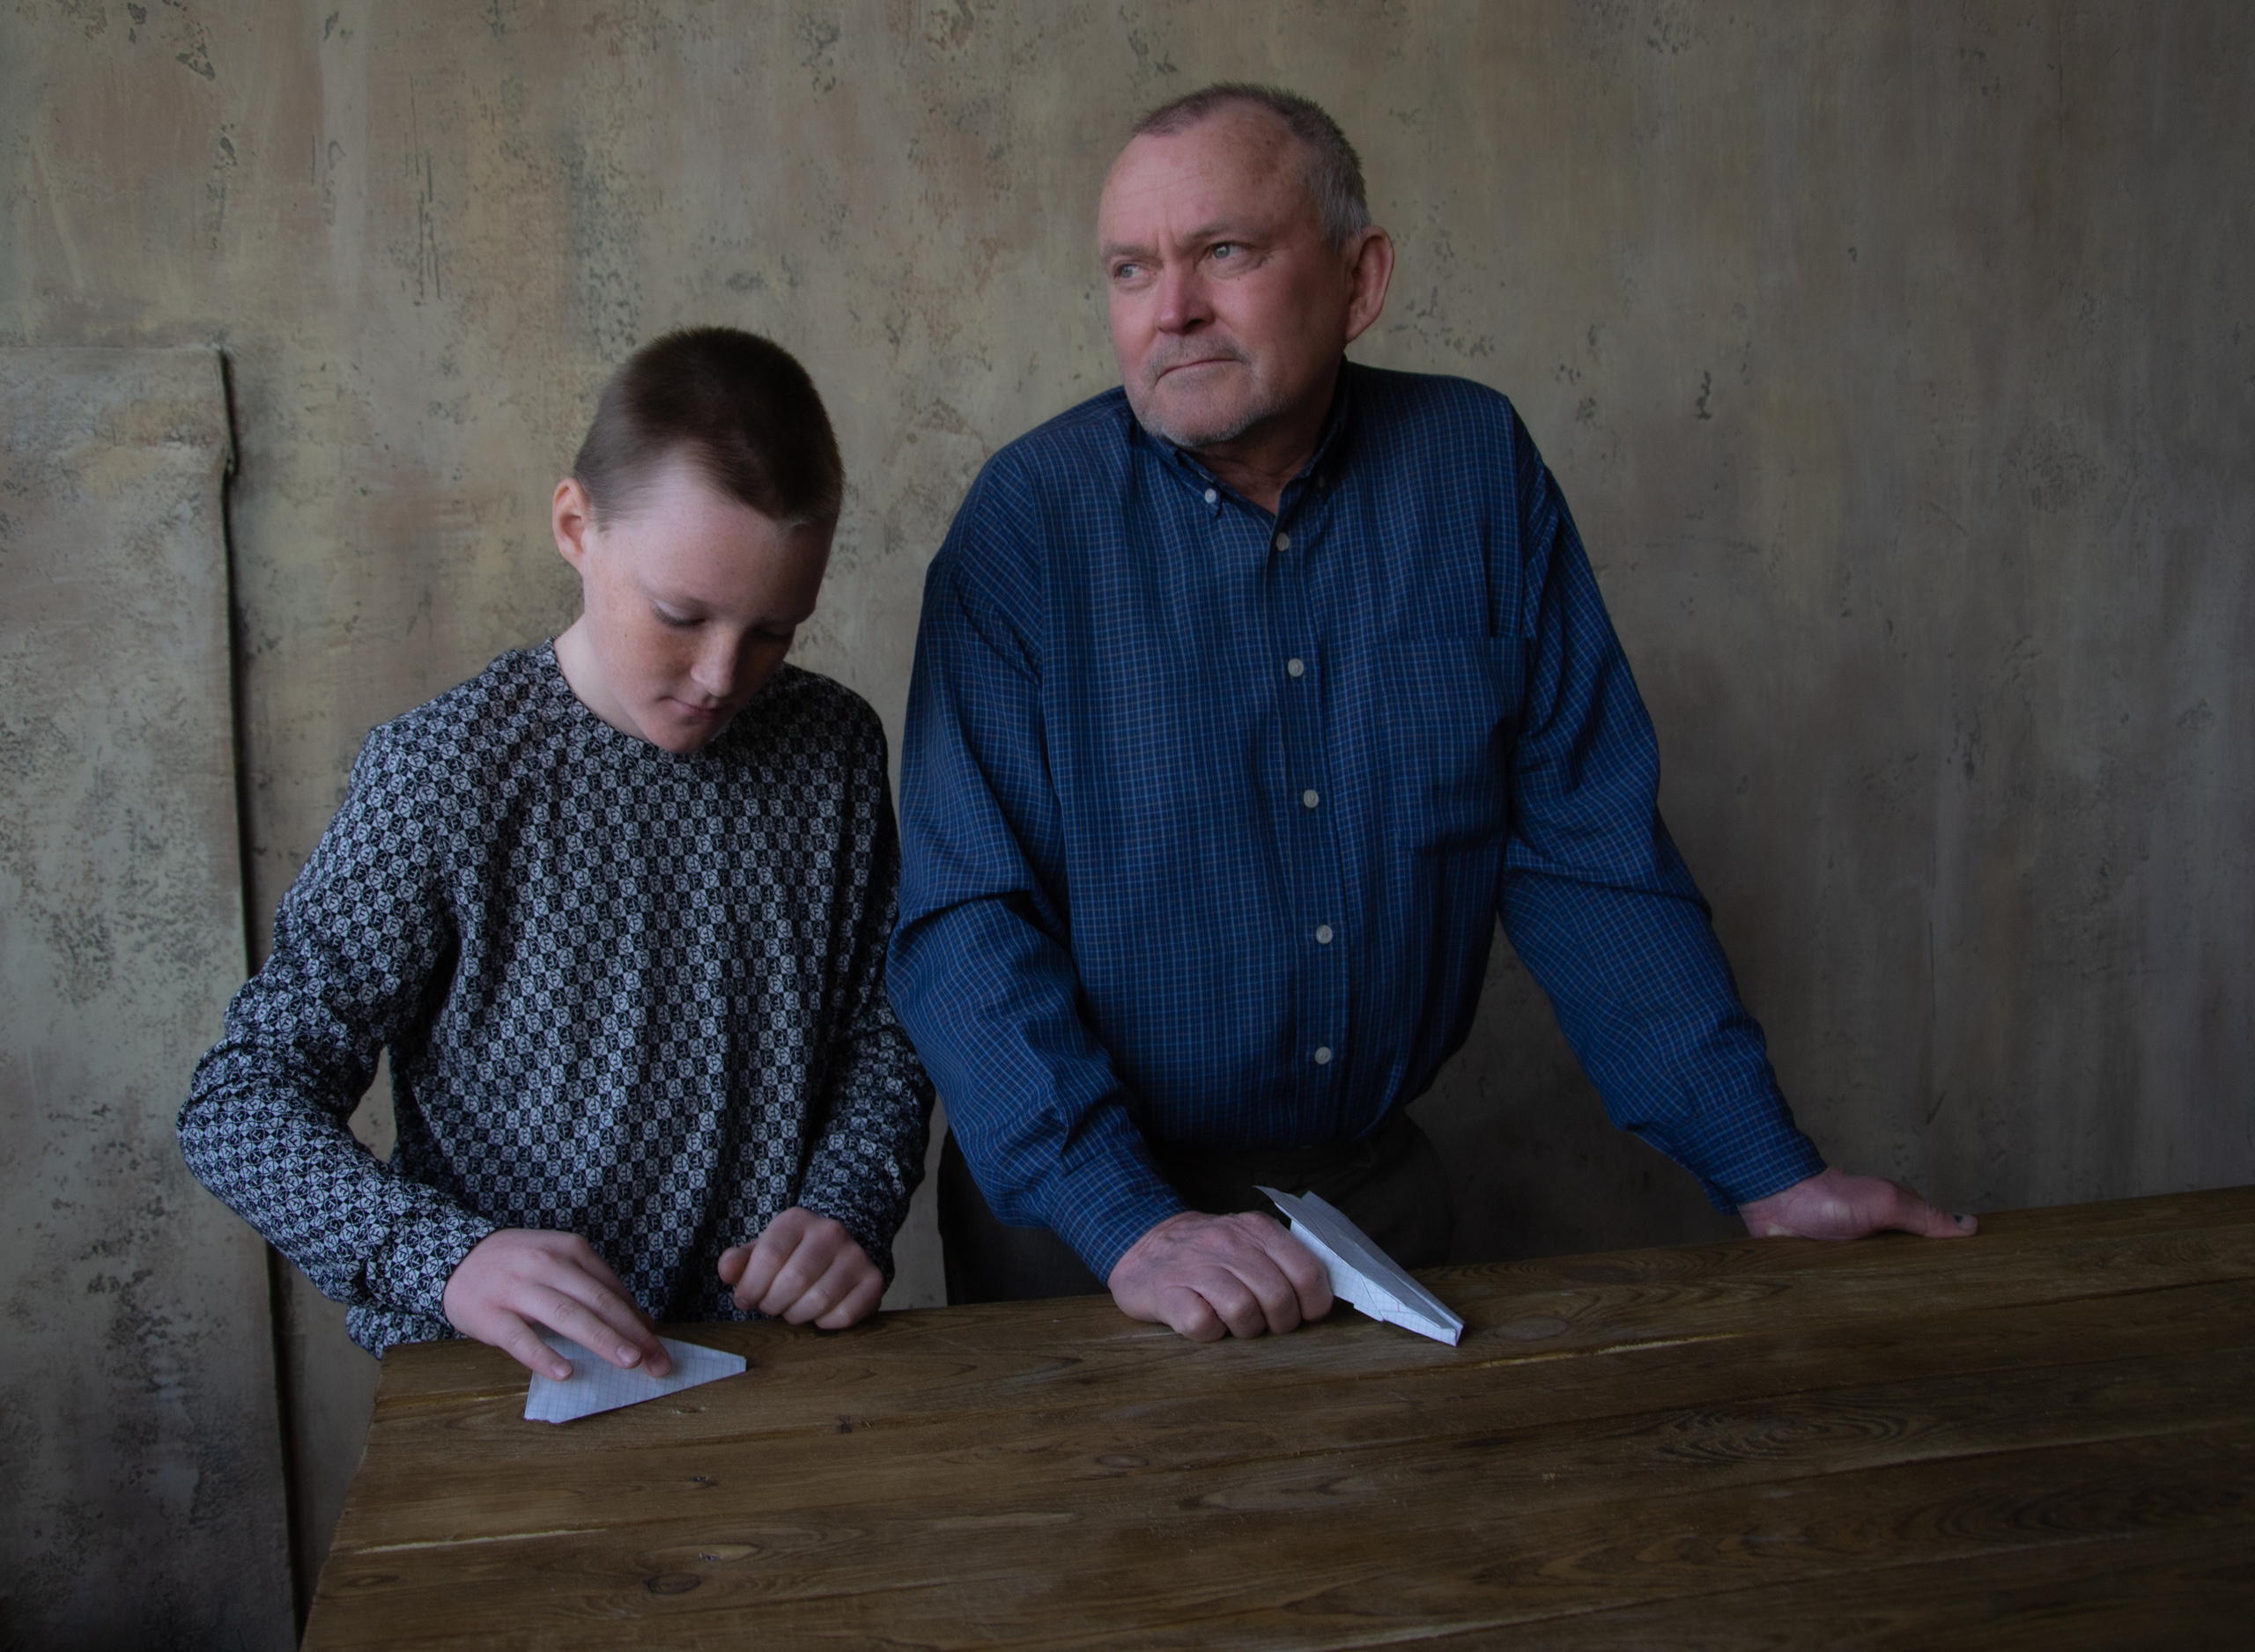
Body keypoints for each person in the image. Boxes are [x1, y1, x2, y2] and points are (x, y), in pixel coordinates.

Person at [888, 84, 1974, 1345]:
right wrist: (1132, 1221)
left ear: (1361, 278)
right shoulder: (1027, 524)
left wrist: (1768, 1171)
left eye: (1223, 253)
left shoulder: (1477, 472)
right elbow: (968, 921)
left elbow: (1588, 855)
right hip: (1087, 1235)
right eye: (1132, 270)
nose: (1170, 309)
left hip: (1366, 1209)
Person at [180, 327, 933, 1380]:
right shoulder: (443, 771)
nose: (722, 676)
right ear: (575, 525)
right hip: (507, 1383)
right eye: (681, 615)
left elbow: (882, 1027)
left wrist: (847, 1206)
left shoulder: (833, 750)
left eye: (774, 631)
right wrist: (447, 1257)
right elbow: (243, 1098)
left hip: (769, 1365)